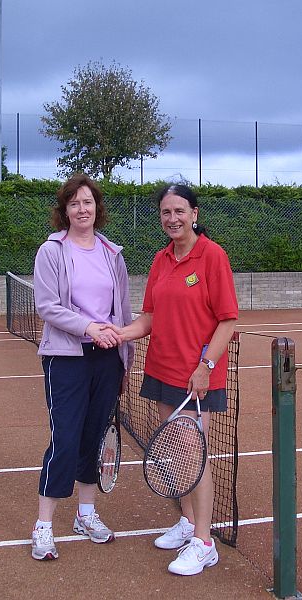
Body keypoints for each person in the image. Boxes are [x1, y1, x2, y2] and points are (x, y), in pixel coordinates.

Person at [106, 183, 238, 576]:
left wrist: (205, 367)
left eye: (180, 211)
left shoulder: (212, 257)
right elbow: (149, 318)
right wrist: (118, 333)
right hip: (163, 372)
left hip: (198, 378)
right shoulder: (161, 260)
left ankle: (204, 542)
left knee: (195, 457)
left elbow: (228, 320)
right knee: (178, 456)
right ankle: (186, 522)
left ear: (194, 214)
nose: (172, 219)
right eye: (166, 212)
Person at [30, 173, 133, 561]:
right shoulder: (51, 251)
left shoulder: (112, 254)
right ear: (65, 211)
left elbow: (121, 310)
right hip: (66, 358)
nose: (82, 209)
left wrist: (123, 357)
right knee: (66, 439)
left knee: (93, 438)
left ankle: (85, 514)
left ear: (97, 208)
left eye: (87, 202)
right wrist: (89, 327)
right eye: (74, 203)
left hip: (107, 359)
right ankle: (43, 526)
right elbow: (48, 307)